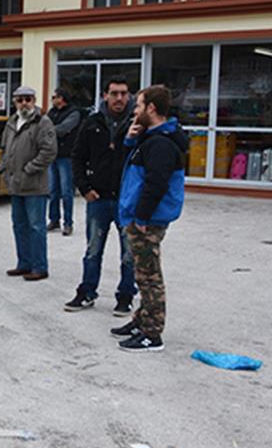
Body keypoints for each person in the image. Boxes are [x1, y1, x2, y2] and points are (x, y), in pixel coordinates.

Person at [113, 85, 187, 353]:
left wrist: (142, 215)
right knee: (141, 272)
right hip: (139, 214)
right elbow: (131, 168)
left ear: (151, 109)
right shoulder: (150, 138)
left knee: (149, 276)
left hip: (148, 218)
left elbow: (156, 183)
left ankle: (152, 335)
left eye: (139, 105)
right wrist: (131, 140)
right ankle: (140, 321)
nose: (135, 110)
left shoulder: (161, 143)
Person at [66, 77, 138, 315]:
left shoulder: (137, 123)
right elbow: (77, 157)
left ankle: (126, 295)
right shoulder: (92, 123)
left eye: (124, 93)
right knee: (93, 250)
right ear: (105, 95)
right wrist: (84, 188)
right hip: (98, 199)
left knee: (129, 253)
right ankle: (86, 291)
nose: (119, 98)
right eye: (114, 93)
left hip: (126, 201)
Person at [0, 86, 57, 282]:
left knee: (36, 227)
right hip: (15, 185)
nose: (24, 103)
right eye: (20, 99)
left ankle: (39, 267)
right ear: (14, 102)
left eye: (28, 99)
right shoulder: (12, 122)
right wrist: (4, 169)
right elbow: (4, 148)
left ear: (34, 100)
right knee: (19, 226)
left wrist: (29, 169)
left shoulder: (42, 122)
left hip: (34, 185)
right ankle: (23, 263)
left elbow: (49, 151)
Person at [47, 89, 82, 235]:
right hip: (52, 155)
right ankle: (54, 220)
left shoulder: (74, 113)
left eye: (54, 97)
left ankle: (68, 223)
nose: (52, 100)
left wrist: (48, 130)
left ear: (62, 98)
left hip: (66, 156)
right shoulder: (51, 112)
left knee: (66, 191)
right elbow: (46, 127)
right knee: (52, 191)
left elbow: (63, 129)